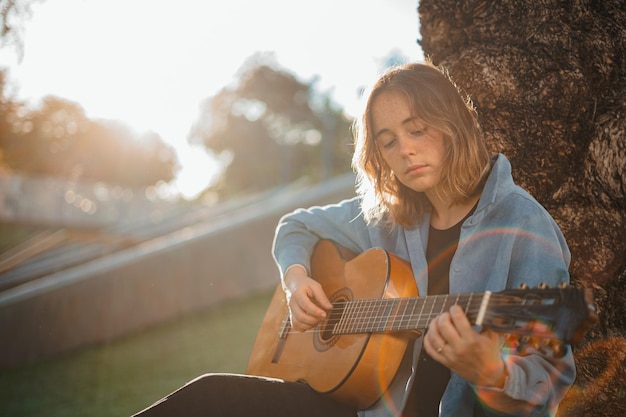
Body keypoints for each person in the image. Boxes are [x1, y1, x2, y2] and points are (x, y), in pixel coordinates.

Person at [132, 61, 575, 417]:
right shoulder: (388, 216)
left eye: (417, 129)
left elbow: (548, 377)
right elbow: (296, 225)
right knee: (210, 397)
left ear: (454, 122)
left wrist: (493, 371)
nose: (405, 150)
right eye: (388, 142)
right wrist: (296, 280)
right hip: (358, 406)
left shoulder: (524, 225)